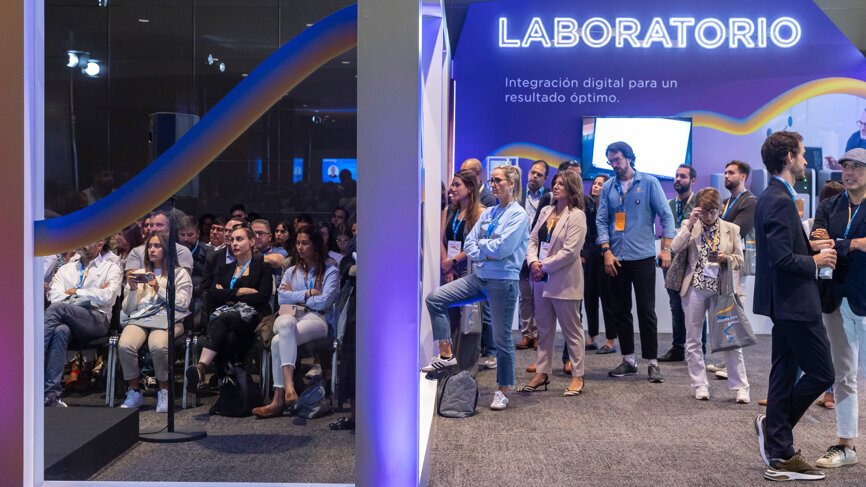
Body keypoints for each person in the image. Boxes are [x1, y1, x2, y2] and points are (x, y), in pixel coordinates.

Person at [752, 131, 836, 481]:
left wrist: (813, 251)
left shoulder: (776, 196)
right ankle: (777, 434)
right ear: (788, 157)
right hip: (794, 302)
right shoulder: (778, 199)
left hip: (786, 301)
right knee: (823, 373)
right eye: (801, 155)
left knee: (785, 372)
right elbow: (781, 260)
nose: (805, 162)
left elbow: (784, 253)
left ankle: (780, 451)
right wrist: (815, 261)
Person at [424, 165, 529, 410]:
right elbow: (470, 244)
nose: (493, 184)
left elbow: (503, 249)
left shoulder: (518, 215)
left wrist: (484, 248)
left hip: (503, 281)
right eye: (492, 180)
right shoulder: (489, 212)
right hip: (480, 276)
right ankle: (447, 356)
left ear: (511, 184)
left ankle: (503, 389)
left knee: (502, 340)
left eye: (498, 180)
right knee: (435, 299)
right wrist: (486, 249)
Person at [597, 141, 676, 383]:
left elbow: (666, 216)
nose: (614, 164)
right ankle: (629, 360)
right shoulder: (608, 187)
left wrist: (666, 249)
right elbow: (601, 220)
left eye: (618, 159)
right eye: (611, 160)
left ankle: (652, 362)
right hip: (616, 259)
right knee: (620, 311)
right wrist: (606, 251)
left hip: (642, 257)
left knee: (646, 311)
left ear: (630, 158)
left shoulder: (649, 183)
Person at [810, 148, 866, 468]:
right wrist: (832, 241)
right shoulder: (829, 205)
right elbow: (817, 240)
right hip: (834, 298)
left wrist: (848, 243)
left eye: (857, 167)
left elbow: (832, 242)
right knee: (843, 374)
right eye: (845, 166)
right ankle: (846, 445)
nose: (848, 172)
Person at [670, 188, 750, 403]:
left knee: (731, 340)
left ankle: (741, 387)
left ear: (720, 209)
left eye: (713, 211)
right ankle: (700, 384)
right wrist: (689, 225)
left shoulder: (731, 229)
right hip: (694, 288)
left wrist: (726, 258)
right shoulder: (691, 225)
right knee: (693, 339)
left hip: (721, 289)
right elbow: (676, 247)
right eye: (704, 211)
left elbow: (741, 260)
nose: (708, 216)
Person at [252, 226, 339, 418]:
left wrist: (295, 295)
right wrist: (308, 293)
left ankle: (278, 399)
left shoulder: (330, 271)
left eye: (305, 243)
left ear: (315, 245)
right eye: (298, 243)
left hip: (317, 318)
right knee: (282, 329)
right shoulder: (291, 270)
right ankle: (289, 388)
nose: (299, 247)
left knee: (279, 338)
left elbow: (324, 301)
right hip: (290, 315)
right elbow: (282, 299)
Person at [186, 225, 273, 391]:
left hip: (252, 321)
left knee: (223, 319)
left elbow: (262, 297)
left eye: (239, 239)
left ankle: (202, 367)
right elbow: (211, 294)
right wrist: (241, 291)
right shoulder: (225, 269)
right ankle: (226, 387)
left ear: (252, 241)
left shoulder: (262, 267)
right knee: (228, 335)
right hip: (229, 323)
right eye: (232, 240)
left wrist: (227, 294)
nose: (234, 243)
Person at [523, 171, 587, 396]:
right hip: (540, 279)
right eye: (555, 183)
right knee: (543, 329)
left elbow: (570, 252)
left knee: (572, 331)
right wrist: (532, 262)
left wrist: (543, 266)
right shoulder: (546, 210)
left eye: (562, 184)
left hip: (564, 281)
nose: (556, 187)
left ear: (572, 188)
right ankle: (542, 373)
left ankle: (577, 377)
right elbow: (532, 239)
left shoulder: (577, 215)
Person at [117, 232, 193, 412]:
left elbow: (182, 304)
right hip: (141, 318)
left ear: (167, 250)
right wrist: (133, 289)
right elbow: (128, 310)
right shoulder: (140, 273)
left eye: (157, 246)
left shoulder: (180, 273)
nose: (152, 249)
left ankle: (164, 391)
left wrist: (158, 288)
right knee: (125, 345)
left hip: (169, 318)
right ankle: (135, 391)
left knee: (158, 346)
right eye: (150, 246)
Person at [45, 239, 122, 406]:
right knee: (60, 331)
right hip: (70, 320)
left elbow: (107, 297)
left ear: (99, 243)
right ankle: (51, 395)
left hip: (97, 320)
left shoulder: (111, 268)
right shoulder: (66, 269)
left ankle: (31, 358)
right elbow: (55, 296)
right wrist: (89, 294)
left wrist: (75, 291)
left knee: (59, 309)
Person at [439, 169, 494, 371]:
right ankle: (452, 367)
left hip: (469, 272)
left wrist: (452, 262)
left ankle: (467, 373)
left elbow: (478, 246)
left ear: (470, 188)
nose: (452, 189)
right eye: (452, 185)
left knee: (470, 325)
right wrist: (446, 265)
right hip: (448, 273)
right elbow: (441, 241)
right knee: (450, 321)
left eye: (457, 185)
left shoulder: (480, 213)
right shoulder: (449, 211)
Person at [709, 160, 758, 379]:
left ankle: (734, 367)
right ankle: (728, 361)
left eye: (731, 173)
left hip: (736, 262)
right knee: (726, 311)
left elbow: (738, 230)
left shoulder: (749, 201)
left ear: (743, 176)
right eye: (725, 172)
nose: (726, 176)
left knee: (735, 309)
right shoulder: (728, 201)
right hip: (722, 264)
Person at [659, 164, 697, 363]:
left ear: (692, 181)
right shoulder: (669, 204)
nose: (678, 179)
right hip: (671, 262)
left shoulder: (698, 203)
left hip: (692, 262)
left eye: (683, 176)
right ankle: (678, 348)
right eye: (676, 176)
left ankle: (699, 349)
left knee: (694, 307)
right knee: (675, 306)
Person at [515, 160, 550, 350]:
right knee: (525, 296)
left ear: (545, 179)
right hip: (520, 250)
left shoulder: (549, 197)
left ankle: (539, 335)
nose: (534, 177)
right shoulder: (518, 195)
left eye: (539, 175)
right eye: (532, 173)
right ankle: (526, 334)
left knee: (540, 295)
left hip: (540, 252)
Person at [584, 174, 618, 354]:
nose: (596, 186)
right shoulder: (587, 209)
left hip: (607, 257)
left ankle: (611, 340)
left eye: (600, 184)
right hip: (590, 259)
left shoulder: (611, 209)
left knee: (607, 299)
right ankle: (592, 337)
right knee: (589, 298)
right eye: (594, 184)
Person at [125, 211, 193, 276]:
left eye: (159, 225)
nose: (154, 229)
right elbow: (132, 280)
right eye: (151, 225)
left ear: (170, 228)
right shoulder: (136, 251)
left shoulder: (182, 251)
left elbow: (182, 280)